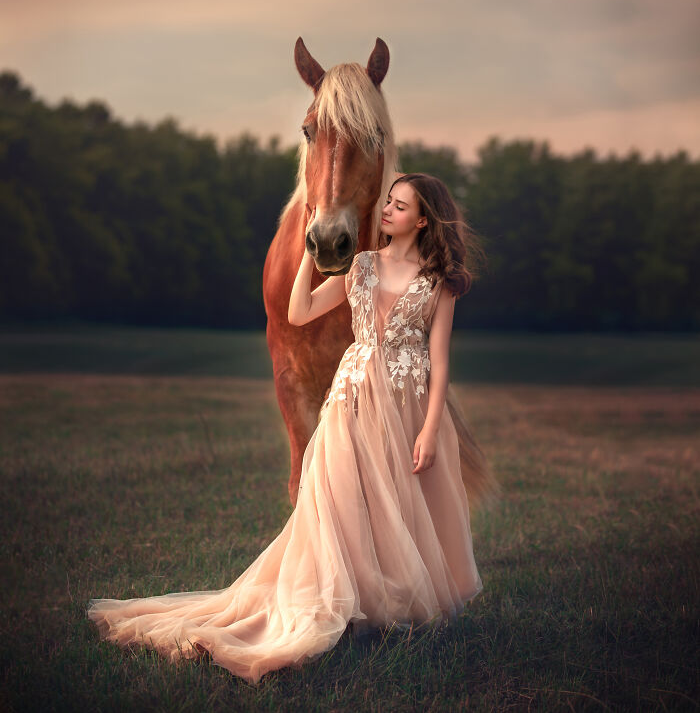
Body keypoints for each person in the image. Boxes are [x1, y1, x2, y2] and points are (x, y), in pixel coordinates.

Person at [86, 172, 499, 684]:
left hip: (410, 405)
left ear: (422, 219)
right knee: (340, 500)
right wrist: (310, 249)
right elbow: (299, 311)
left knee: (400, 503)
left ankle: (386, 604)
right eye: (387, 201)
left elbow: (438, 362)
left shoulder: (439, 283)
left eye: (399, 205)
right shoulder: (362, 267)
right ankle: (334, 602)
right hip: (353, 400)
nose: (386, 210)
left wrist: (431, 429)